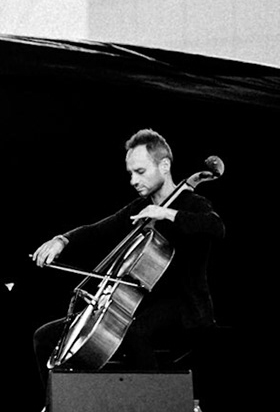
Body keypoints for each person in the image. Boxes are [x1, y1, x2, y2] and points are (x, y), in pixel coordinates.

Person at [30, 129, 223, 371]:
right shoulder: (140, 208)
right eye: (131, 173)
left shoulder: (193, 203)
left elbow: (216, 227)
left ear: (164, 166)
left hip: (186, 307)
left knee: (134, 332)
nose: (133, 180)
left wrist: (166, 213)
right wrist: (62, 240)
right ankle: (67, 396)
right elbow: (97, 230)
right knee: (45, 337)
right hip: (139, 306)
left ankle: (153, 394)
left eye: (140, 171)